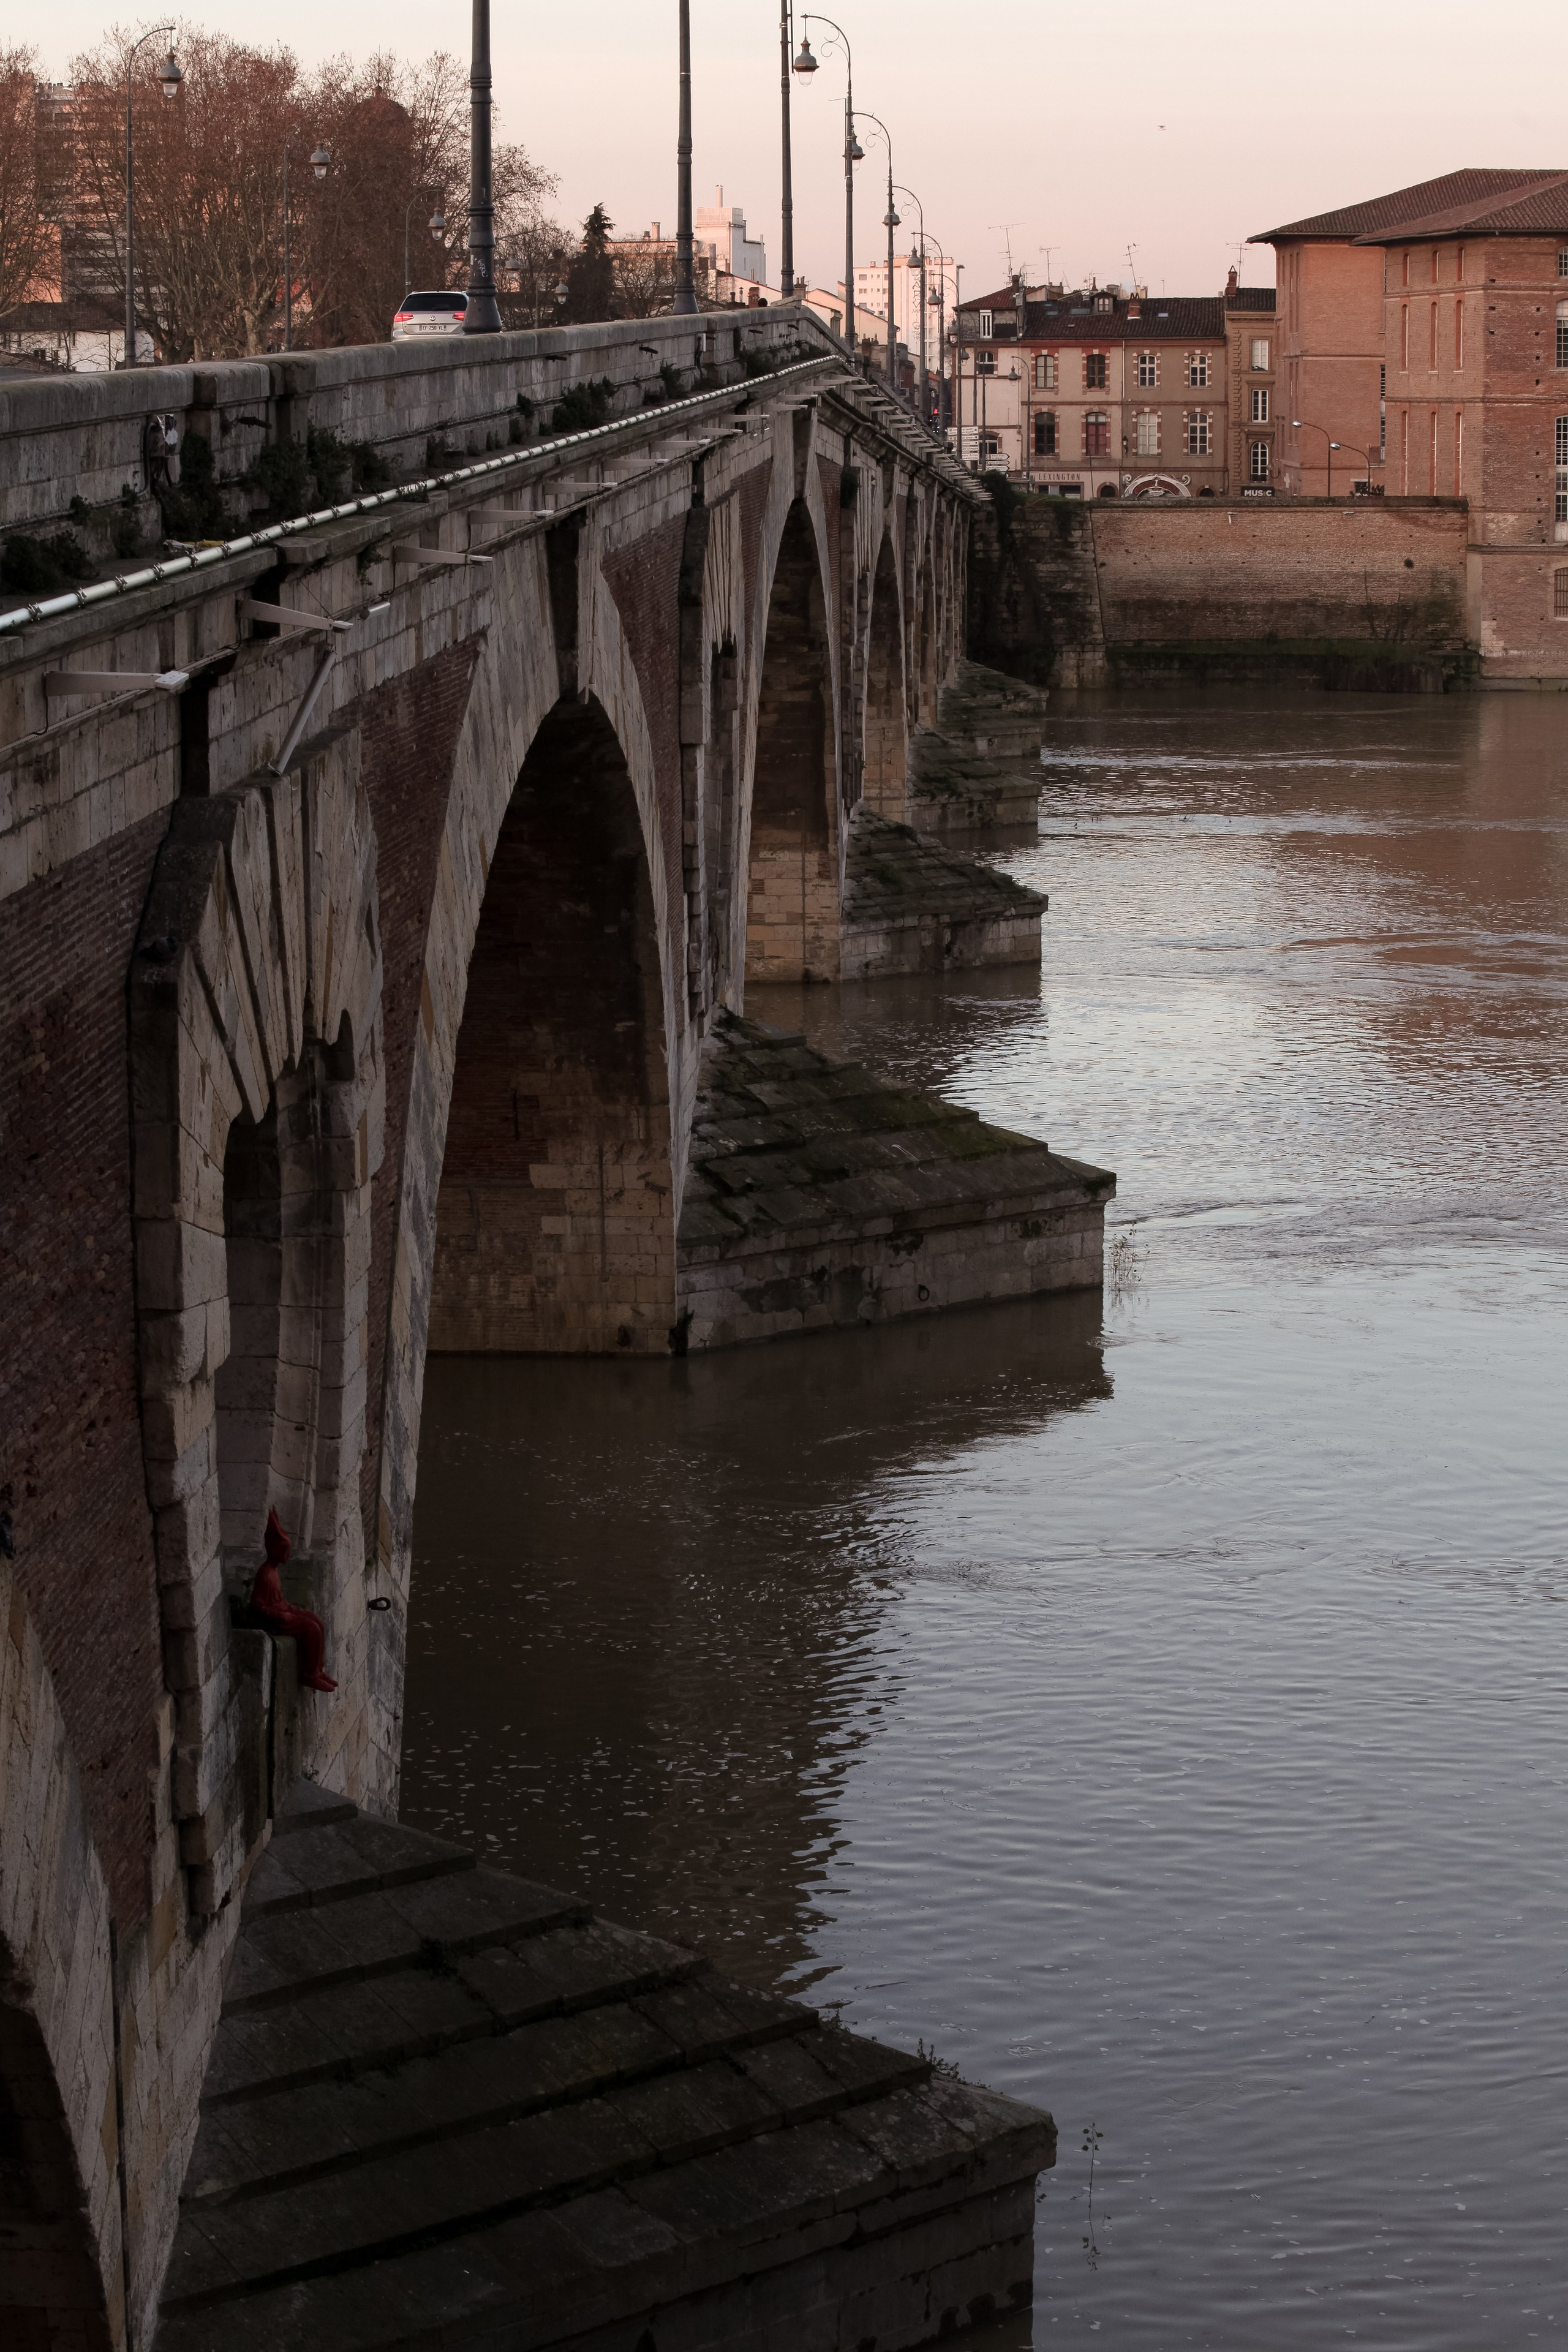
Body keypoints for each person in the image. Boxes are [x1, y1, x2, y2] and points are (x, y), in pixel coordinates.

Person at [249, 1508, 336, 1691]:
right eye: (285, 1552)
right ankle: (309, 1675)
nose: (288, 1556)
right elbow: (257, 1606)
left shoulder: (274, 1572)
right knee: (311, 1629)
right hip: (273, 1620)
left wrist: (291, 1609)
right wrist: (282, 1615)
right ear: (276, 1552)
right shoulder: (265, 1574)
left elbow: (278, 1600)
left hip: (280, 1611)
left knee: (317, 1621)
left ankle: (317, 1670)